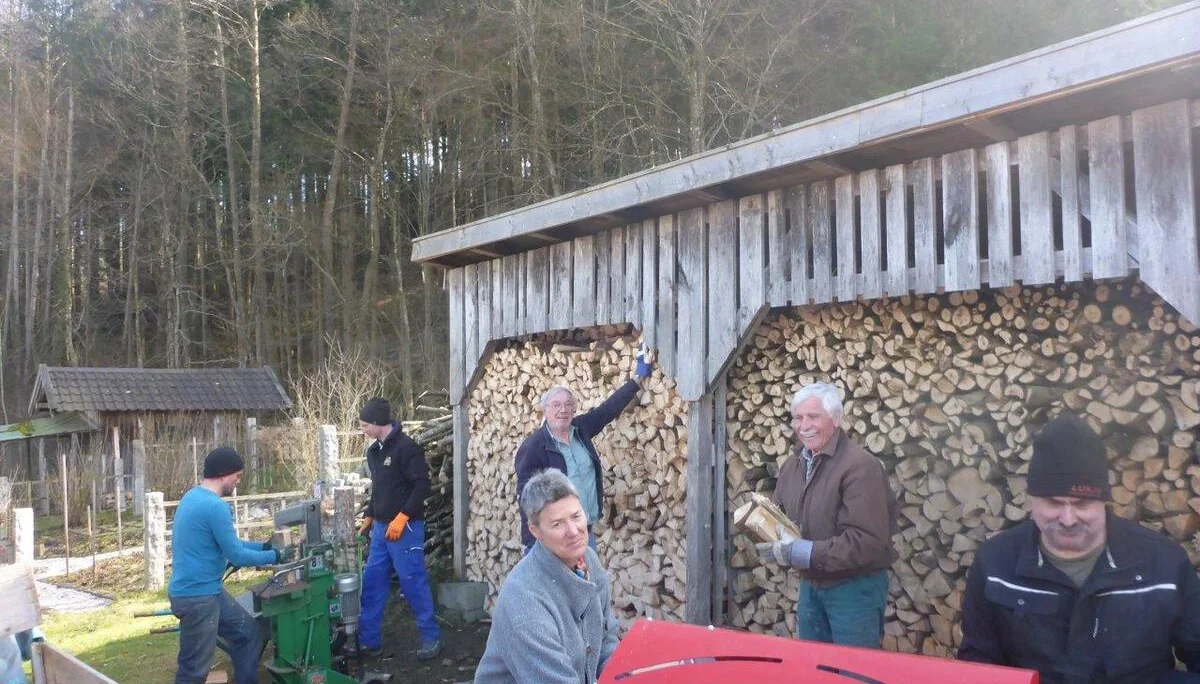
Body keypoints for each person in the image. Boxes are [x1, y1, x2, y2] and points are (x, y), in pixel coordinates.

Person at [958, 413, 1200, 683]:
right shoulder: (995, 564)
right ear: (1032, 500)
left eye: (1081, 504)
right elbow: (979, 660)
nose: (1068, 519)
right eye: (1054, 502)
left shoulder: (1163, 563)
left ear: (1103, 503)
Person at [754, 381, 898, 648]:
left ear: (836, 419)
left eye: (813, 416)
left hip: (854, 589)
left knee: (852, 671)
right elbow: (781, 516)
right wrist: (764, 530)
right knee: (815, 668)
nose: (803, 425)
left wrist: (804, 553)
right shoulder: (792, 466)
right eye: (798, 418)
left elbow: (867, 541)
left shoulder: (860, 467)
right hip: (812, 586)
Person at [474, 468, 620, 683]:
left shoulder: (589, 562)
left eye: (576, 516)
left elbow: (607, 640)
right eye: (557, 524)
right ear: (535, 530)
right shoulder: (524, 600)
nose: (573, 530)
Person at [514, 342, 653, 550]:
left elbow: (607, 410)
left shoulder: (581, 429)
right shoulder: (534, 447)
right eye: (557, 405)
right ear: (545, 411)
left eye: (568, 405)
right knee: (556, 584)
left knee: (588, 582)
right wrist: (533, 543)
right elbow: (526, 499)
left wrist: (637, 379)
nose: (563, 410)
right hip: (552, 541)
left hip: (584, 533)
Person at [169, 447, 284, 684]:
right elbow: (237, 555)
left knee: (247, 634)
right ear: (224, 474)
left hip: (207, 591)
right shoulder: (216, 507)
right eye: (237, 475)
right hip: (197, 598)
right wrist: (275, 556)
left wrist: (263, 548)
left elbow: (230, 545)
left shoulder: (193, 496)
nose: (238, 481)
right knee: (193, 671)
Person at [354, 397, 442, 661]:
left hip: (407, 528)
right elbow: (380, 489)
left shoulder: (408, 449)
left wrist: (403, 516)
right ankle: (369, 640)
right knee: (372, 582)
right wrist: (369, 517)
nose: (363, 430)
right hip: (381, 530)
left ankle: (431, 637)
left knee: (412, 581)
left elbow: (422, 485)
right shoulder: (374, 452)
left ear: (379, 423)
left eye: (365, 425)